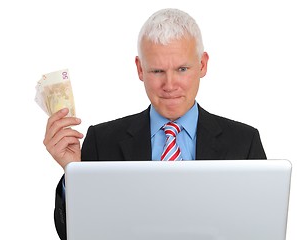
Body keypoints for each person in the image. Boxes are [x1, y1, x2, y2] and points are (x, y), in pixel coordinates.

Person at [43, 8, 267, 240]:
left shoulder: (244, 143)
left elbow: (261, 229)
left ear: (202, 64)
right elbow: (73, 234)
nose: (170, 85)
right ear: (140, 69)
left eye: (182, 69)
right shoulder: (102, 141)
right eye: (157, 71)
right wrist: (74, 174)